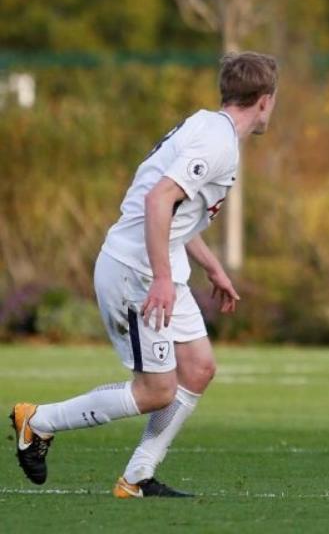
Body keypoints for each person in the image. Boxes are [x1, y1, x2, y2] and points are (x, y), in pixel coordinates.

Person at [10, 51, 278, 497]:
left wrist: (212, 268)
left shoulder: (208, 126)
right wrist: (159, 279)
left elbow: (174, 213)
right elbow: (157, 202)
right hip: (136, 272)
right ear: (266, 101)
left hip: (161, 267)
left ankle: (136, 478)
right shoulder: (216, 142)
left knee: (199, 368)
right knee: (156, 391)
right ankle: (37, 421)